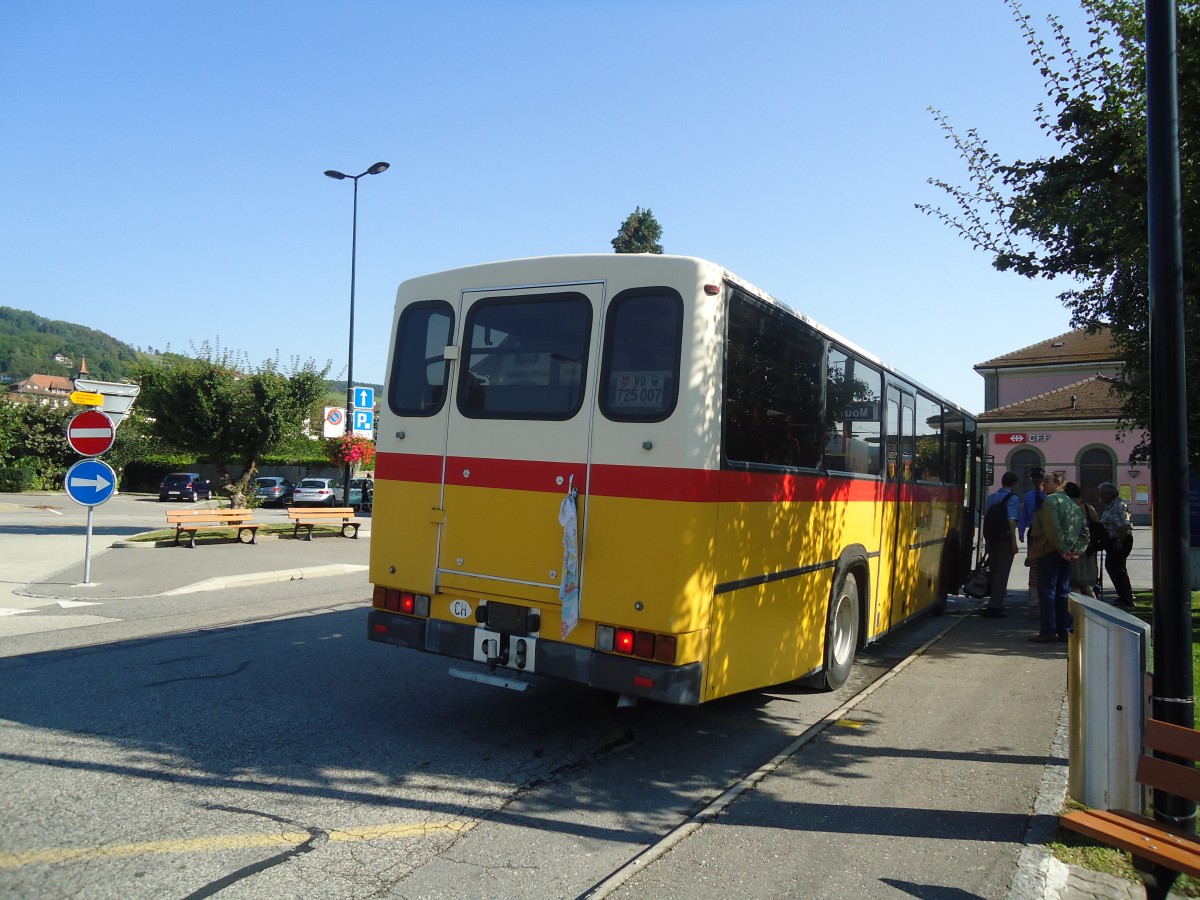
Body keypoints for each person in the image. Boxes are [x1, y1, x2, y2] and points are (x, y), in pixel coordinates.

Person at [1026, 472, 1090, 643]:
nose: (1042, 485)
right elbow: (1085, 531)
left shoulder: (1050, 501)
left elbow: (1052, 527)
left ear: (1059, 483)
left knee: (1047, 591)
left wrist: (1062, 549)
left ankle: (1048, 630)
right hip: (1066, 553)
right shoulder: (1072, 504)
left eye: (1046, 482)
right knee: (1063, 591)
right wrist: (1076, 550)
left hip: (1049, 551)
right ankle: (1064, 630)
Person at [980, 472, 1020, 618]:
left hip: (992, 538)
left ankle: (992, 601)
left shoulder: (991, 497)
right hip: (1004, 539)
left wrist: (987, 540)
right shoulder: (1013, 498)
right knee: (1002, 573)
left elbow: (986, 517)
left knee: (994, 570)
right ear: (1014, 483)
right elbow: (1011, 520)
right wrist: (1014, 542)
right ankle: (995, 606)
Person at [1099, 481, 1135, 607]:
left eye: (1102, 494)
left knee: (1118, 568)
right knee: (1111, 567)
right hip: (1112, 540)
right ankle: (1122, 595)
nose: (1100, 497)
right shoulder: (1111, 505)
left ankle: (1127, 597)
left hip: (1120, 540)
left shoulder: (1120, 504)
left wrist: (1119, 541)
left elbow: (1125, 524)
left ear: (1110, 493)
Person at [1017, 468, 1046, 618]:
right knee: (1034, 563)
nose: (1037, 480)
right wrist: (1021, 532)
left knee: (1045, 564)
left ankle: (1042, 604)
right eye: (1034, 478)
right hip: (1032, 531)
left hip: (1046, 532)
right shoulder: (1028, 497)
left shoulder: (1048, 496)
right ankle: (1034, 606)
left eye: (1039, 478)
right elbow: (1024, 515)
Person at [1064, 482, 1100, 598]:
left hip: (1072, 548)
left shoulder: (1067, 508)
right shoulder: (1089, 508)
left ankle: (1077, 612)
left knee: (1074, 583)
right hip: (1088, 549)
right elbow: (1097, 525)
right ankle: (1093, 609)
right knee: (1087, 584)